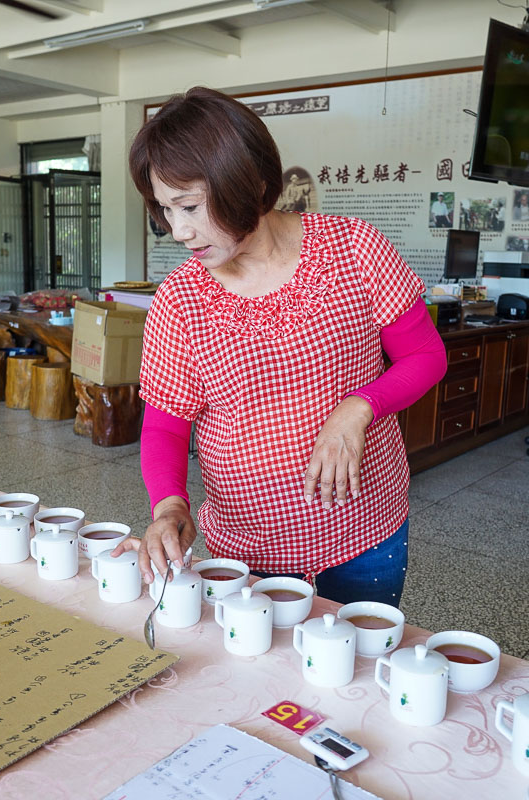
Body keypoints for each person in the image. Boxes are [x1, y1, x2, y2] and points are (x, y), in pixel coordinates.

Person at [115, 86, 447, 606]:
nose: (178, 231)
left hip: (364, 529)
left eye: (190, 207)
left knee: (353, 671)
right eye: (165, 210)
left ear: (244, 181)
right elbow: (165, 422)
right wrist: (169, 508)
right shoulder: (179, 299)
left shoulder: (354, 249)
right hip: (243, 545)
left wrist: (359, 408)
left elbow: (426, 357)